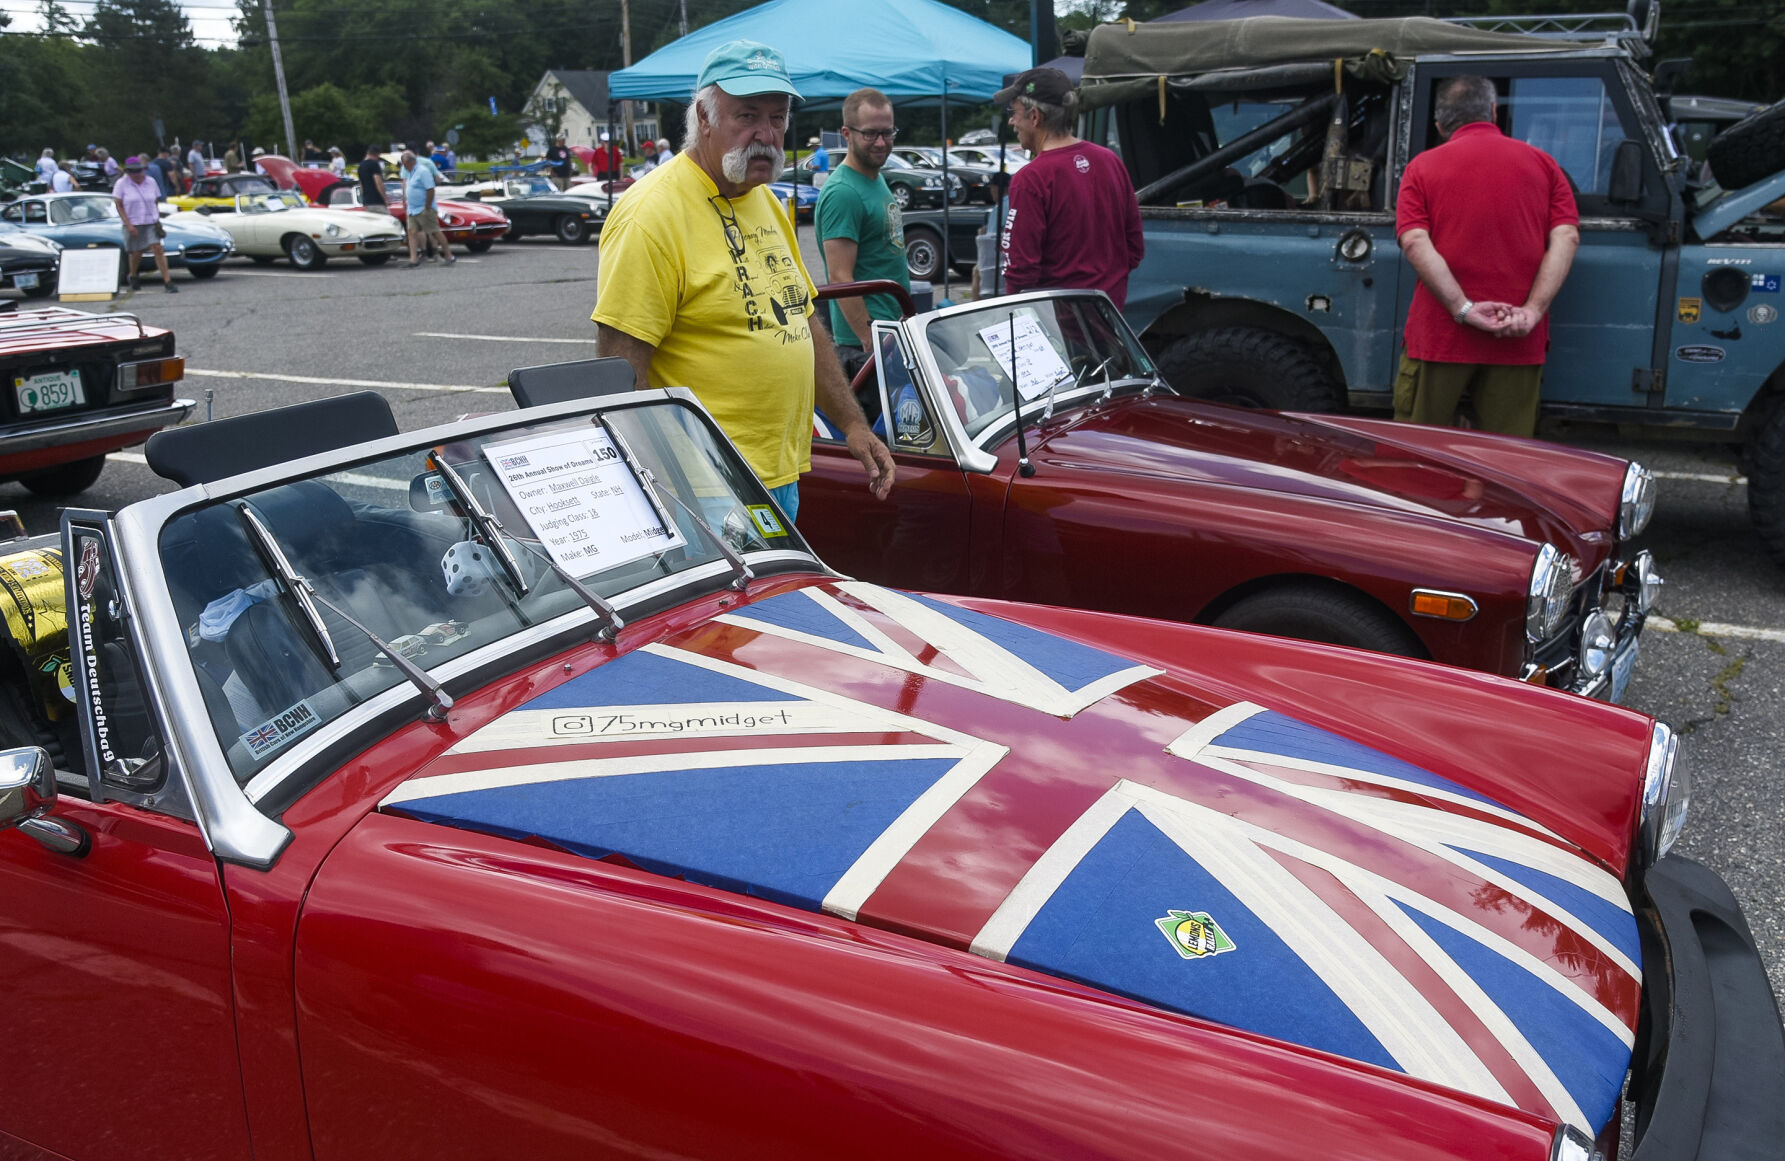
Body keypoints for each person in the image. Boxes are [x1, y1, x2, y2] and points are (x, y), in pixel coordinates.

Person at [592, 39, 894, 520]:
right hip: (702, 490)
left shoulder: (767, 201)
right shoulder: (650, 214)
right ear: (704, 118)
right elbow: (620, 367)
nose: (766, 134)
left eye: (776, 119)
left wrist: (853, 425)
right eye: (747, 116)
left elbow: (803, 322)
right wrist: (649, 489)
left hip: (781, 473)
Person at [1393, 75, 1580, 439]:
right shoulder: (1545, 165)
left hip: (1440, 338)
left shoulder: (1421, 168)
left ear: (1440, 125)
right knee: (1507, 461)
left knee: (1416, 454)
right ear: (1494, 111)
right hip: (1517, 335)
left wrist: (1463, 309)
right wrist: (1532, 311)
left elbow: (1415, 240)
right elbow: (1567, 235)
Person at [996, 67, 1144, 308]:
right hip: (1110, 319)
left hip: (1058, 326)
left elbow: (1021, 271)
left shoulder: (1031, 178)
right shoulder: (1110, 161)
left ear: (1035, 117)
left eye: (1015, 112)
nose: (1012, 121)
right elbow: (1134, 248)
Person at [815, 88, 908, 384]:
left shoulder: (874, 176)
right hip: (866, 347)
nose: (881, 142)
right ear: (846, 133)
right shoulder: (843, 192)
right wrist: (869, 339)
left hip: (892, 332)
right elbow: (840, 276)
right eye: (870, 134)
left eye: (887, 132)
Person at [115, 157, 177, 294]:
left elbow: (155, 201)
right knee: (136, 252)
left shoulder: (151, 182)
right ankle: (133, 275)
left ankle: (168, 281)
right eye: (132, 172)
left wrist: (156, 218)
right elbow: (119, 204)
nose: (136, 174)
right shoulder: (121, 184)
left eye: (138, 171)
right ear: (128, 172)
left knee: (157, 248)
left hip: (150, 221)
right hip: (133, 222)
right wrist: (128, 224)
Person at [400, 150, 454, 267]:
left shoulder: (422, 172)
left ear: (410, 162)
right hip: (412, 209)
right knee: (412, 232)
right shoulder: (410, 172)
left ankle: (448, 255)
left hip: (424, 208)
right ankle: (413, 259)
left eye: (404, 163)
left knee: (434, 231)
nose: (403, 166)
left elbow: (430, 189)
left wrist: (427, 206)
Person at [359, 144, 391, 212]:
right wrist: (385, 199)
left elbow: (361, 184)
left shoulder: (361, 166)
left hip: (367, 202)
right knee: (387, 221)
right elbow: (378, 182)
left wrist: (364, 198)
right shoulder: (374, 164)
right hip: (377, 201)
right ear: (377, 154)